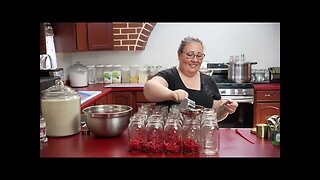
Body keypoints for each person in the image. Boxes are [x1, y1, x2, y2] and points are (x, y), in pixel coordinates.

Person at [143, 36, 238, 121]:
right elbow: (149, 88)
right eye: (189, 54)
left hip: (199, 136)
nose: (195, 60)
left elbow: (215, 116)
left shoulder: (208, 81)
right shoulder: (169, 75)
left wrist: (224, 109)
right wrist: (172, 94)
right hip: (172, 136)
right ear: (179, 54)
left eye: (199, 55)